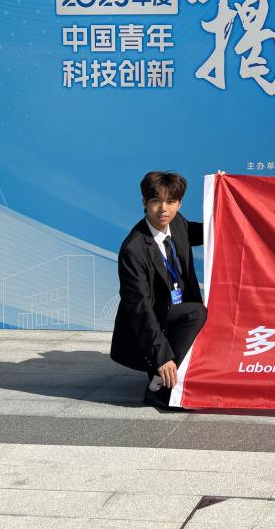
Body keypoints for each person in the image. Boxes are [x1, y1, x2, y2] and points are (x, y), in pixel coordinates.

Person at [110, 171, 206, 408]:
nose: (164, 209)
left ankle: (177, 372)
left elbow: (208, 230)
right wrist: (161, 357)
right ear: (145, 202)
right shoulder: (133, 249)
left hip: (172, 314)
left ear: (179, 204)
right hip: (147, 326)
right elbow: (140, 308)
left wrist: (225, 194)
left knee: (200, 310)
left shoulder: (178, 223)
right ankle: (157, 387)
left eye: (171, 202)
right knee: (196, 312)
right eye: (156, 201)